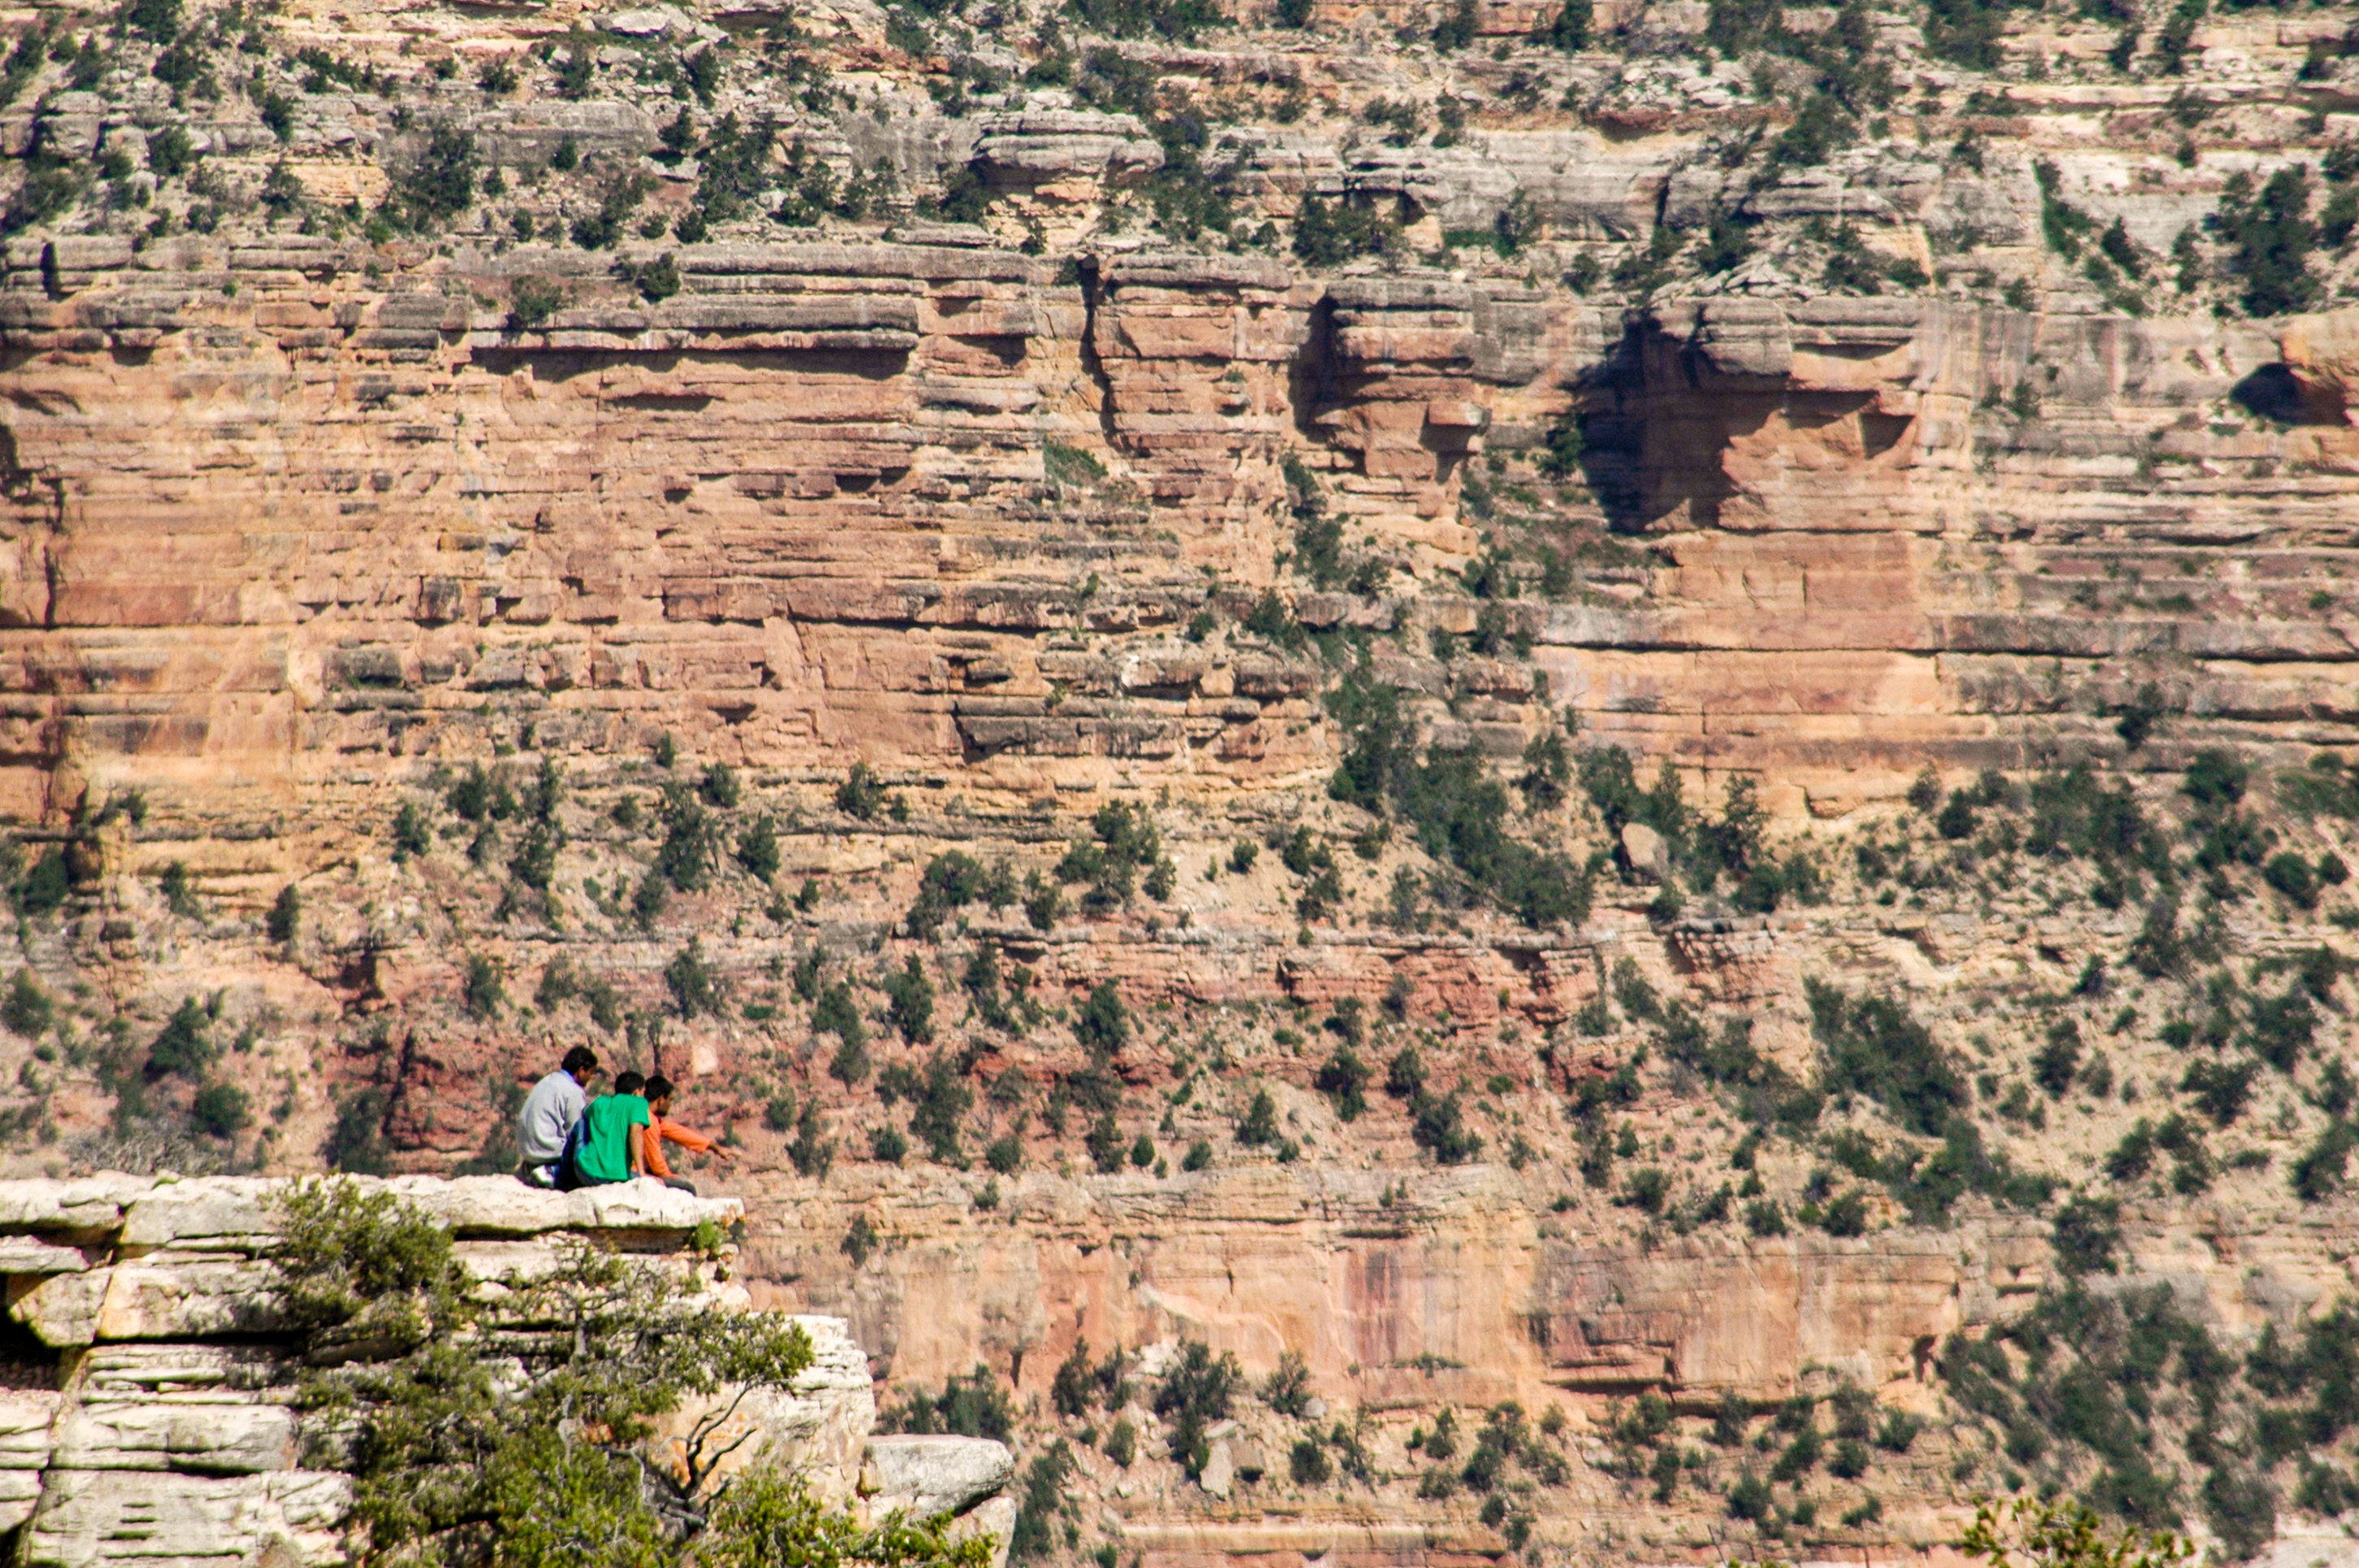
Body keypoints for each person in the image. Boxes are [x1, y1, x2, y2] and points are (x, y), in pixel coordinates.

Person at [517, 1046, 600, 1188]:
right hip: (548, 1152)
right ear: (581, 1070)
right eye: (590, 1073)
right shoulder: (574, 1091)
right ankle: (551, 1172)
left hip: (528, 1151)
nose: (591, 1078)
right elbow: (575, 1131)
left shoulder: (548, 1081)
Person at [642, 1075, 736, 1195]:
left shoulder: (646, 1116)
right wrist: (670, 1177)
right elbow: (656, 1163)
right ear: (661, 1099)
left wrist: (714, 1147)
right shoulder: (649, 1121)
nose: (671, 1104)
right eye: (670, 1099)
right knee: (688, 1189)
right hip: (635, 1172)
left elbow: (679, 1133)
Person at [570, 1069, 653, 1187]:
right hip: (618, 1177)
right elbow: (635, 1133)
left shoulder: (600, 1102)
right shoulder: (639, 1102)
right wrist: (641, 1173)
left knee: (581, 1123)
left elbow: (585, 1115)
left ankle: (561, 1174)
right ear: (636, 1092)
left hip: (586, 1172)